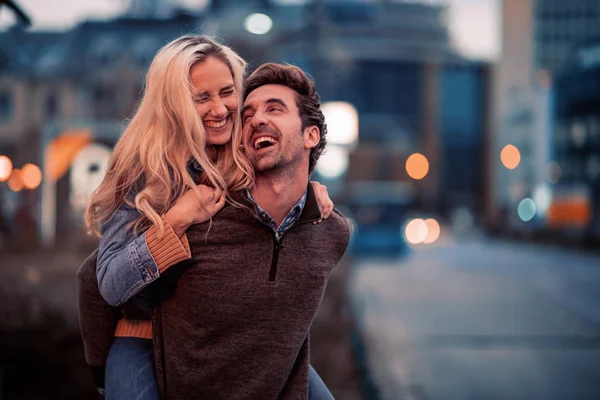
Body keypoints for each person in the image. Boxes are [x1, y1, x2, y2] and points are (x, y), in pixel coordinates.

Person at [78, 35, 334, 399]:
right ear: (175, 104)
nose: (220, 108)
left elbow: (284, 173)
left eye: (227, 91)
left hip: (235, 345)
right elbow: (109, 283)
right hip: (144, 336)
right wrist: (177, 220)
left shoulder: (242, 154)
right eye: (201, 98)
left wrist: (309, 193)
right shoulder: (143, 169)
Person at [149, 63, 350, 399]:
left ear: (310, 135)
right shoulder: (198, 215)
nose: (256, 119)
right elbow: (101, 282)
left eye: (275, 108)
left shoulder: (332, 233)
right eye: (248, 115)